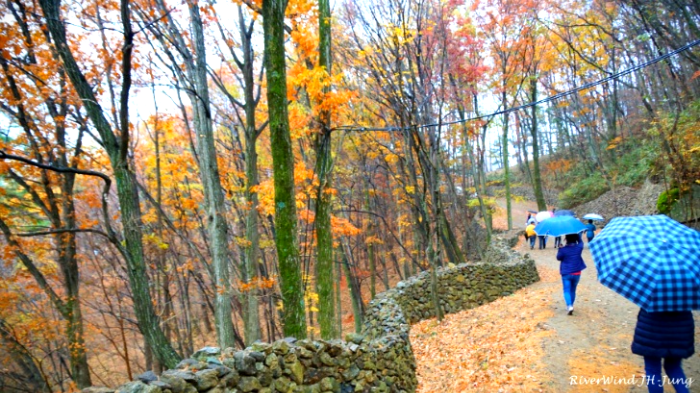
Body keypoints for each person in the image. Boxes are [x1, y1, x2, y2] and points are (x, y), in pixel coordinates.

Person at [631, 309, 694, 393]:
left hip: (652, 329)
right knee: (674, 367)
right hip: (679, 332)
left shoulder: (653, 297)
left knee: (653, 369)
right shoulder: (684, 297)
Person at [556, 234, 586, 315]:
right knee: (573, 290)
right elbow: (581, 242)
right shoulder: (579, 248)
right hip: (577, 272)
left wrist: (559, 248)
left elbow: (558, 258)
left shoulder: (563, 250)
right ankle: (571, 305)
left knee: (566, 290)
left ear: (566, 239)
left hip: (566, 272)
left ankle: (569, 306)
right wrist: (577, 235)